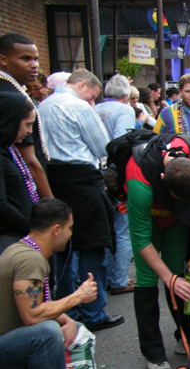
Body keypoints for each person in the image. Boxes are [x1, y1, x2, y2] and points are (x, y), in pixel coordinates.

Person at [126, 133, 190, 369]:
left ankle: (186, 334)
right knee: (148, 278)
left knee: (179, 271)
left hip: (177, 219)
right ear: (163, 180)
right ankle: (153, 351)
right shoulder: (140, 182)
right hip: (149, 220)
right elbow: (141, 241)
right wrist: (169, 279)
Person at [38, 69, 124, 332]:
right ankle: (93, 312)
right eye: (91, 96)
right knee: (92, 248)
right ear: (83, 84)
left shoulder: (43, 106)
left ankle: (68, 312)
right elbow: (102, 148)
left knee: (62, 249)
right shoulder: (78, 107)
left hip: (53, 178)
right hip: (83, 180)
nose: (92, 102)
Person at [0, 198, 97, 369]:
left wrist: (68, 321)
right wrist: (78, 297)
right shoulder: (30, 259)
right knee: (47, 332)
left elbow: (38, 304)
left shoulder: (23, 250)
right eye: (69, 228)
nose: (71, 234)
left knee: (70, 326)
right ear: (56, 229)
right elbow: (32, 315)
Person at [95, 74, 136, 296]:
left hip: (96, 173)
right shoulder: (125, 110)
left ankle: (108, 277)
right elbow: (122, 143)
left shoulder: (94, 108)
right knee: (122, 229)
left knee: (105, 229)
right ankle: (119, 279)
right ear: (126, 95)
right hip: (116, 175)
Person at [0, 33, 53, 200]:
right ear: (3, 60)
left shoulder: (15, 90)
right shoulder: (11, 97)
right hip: (17, 187)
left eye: (36, 59)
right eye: (25, 59)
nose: (34, 65)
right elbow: (29, 159)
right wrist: (50, 203)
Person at [0, 93, 38, 252]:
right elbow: (1, 205)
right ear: (10, 121)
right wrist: (34, 229)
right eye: (27, 124)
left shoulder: (9, 149)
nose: (29, 131)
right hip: (9, 240)